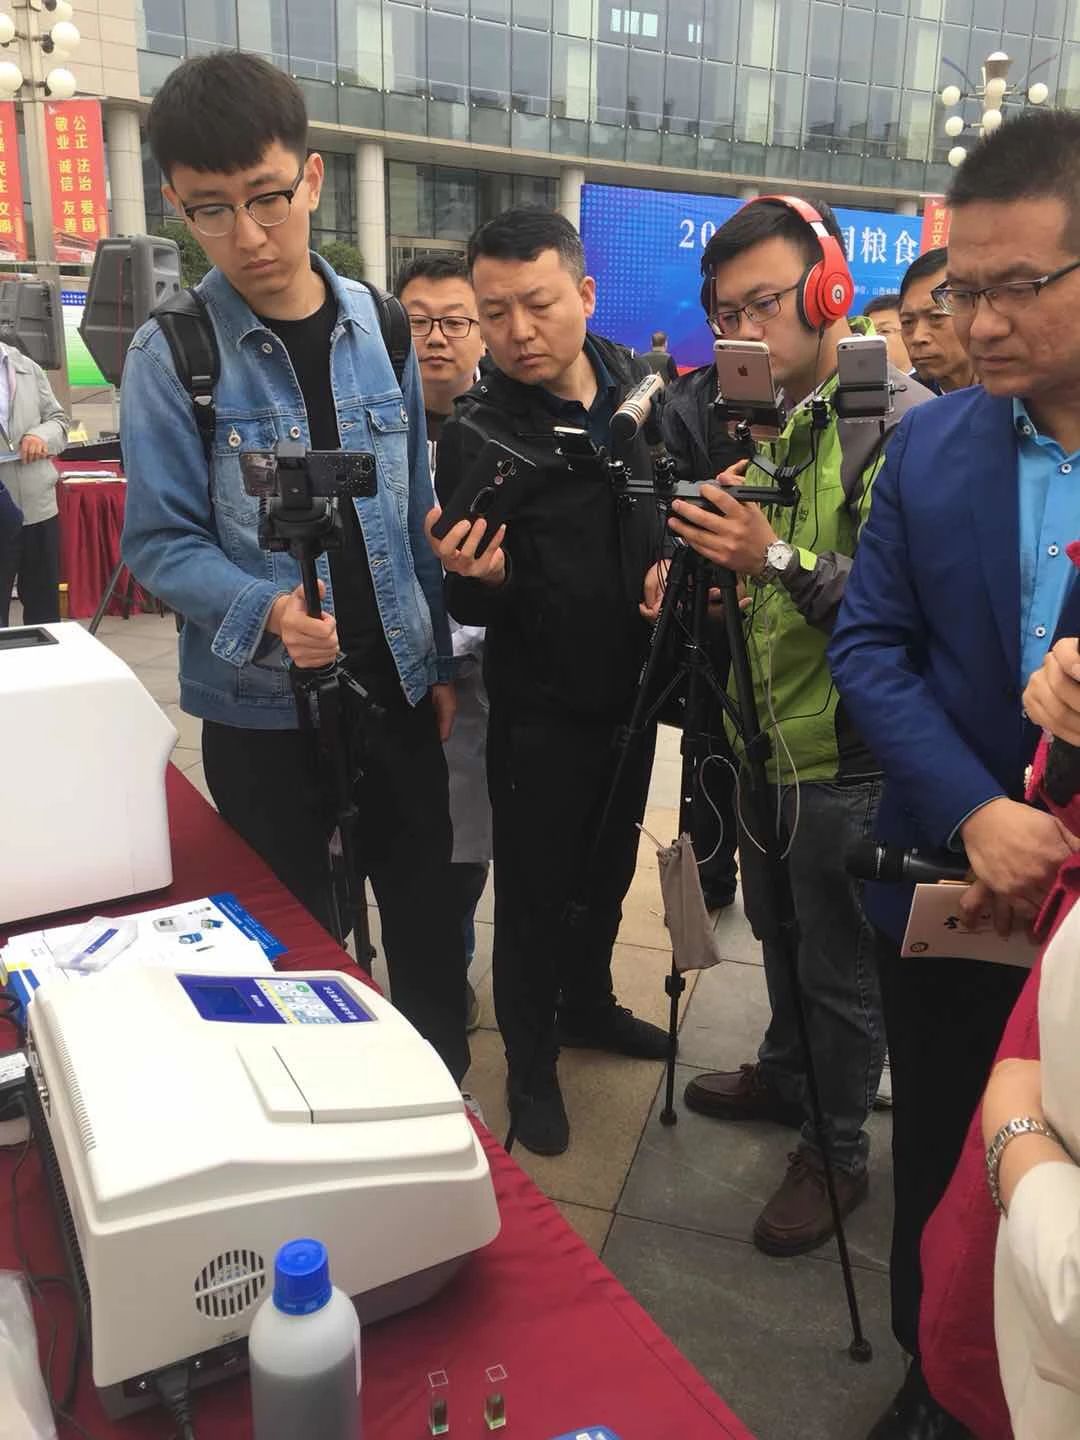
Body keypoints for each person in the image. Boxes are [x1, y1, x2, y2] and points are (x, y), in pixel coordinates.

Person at [120, 52, 468, 1084]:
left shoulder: (383, 325)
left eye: (268, 197)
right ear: (178, 205)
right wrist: (269, 610)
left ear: (311, 178)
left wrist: (438, 662)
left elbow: (410, 506)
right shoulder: (172, 354)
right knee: (297, 946)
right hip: (262, 714)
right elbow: (158, 540)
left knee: (426, 921)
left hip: (394, 688)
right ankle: (326, 1101)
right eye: (212, 210)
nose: (249, 235)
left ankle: (440, 1099)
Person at [828, 108, 1080, 1440]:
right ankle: (936, 1382)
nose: (979, 325)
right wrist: (978, 812)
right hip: (954, 884)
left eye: (1017, 288)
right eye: (961, 292)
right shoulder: (931, 446)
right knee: (936, 1146)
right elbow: (870, 648)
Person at [659, 195, 929, 1258]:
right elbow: (766, 571)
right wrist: (706, 565)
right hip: (763, 729)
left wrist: (766, 555)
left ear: (827, 292)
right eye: (726, 315)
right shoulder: (768, 418)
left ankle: (837, 1149)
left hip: (850, 756)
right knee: (775, 928)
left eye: (764, 305)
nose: (744, 333)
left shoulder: (898, 423)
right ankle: (784, 1074)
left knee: (839, 969)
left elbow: (899, 609)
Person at [426, 207, 667, 1157]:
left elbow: (670, 500)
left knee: (607, 872)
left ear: (585, 293)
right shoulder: (478, 431)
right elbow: (468, 595)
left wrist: (670, 563)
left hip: (634, 696)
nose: (518, 331)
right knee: (532, 893)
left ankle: (588, 1003)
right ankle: (530, 1067)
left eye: (538, 304)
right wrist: (479, 579)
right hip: (538, 708)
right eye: (496, 313)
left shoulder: (642, 390)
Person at [395, 253, 489, 1033]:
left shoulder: (503, 425)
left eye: (455, 321)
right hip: (390, 660)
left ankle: (448, 973)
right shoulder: (371, 421)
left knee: (463, 842)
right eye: (417, 322)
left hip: (477, 665)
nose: (435, 338)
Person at [0, 338, 69, 628]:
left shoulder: (27, 367)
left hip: (37, 507)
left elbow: (59, 421)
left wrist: (40, 436)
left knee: (44, 613)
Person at [899, 248, 976, 396]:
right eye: (907, 322)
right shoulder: (903, 400)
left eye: (935, 317)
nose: (917, 337)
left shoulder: (1014, 396)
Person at [862, 293, 910, 373]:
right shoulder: (854, 379)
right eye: (869, 332)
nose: (874, 338)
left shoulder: (930, 378)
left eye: (884, 331)